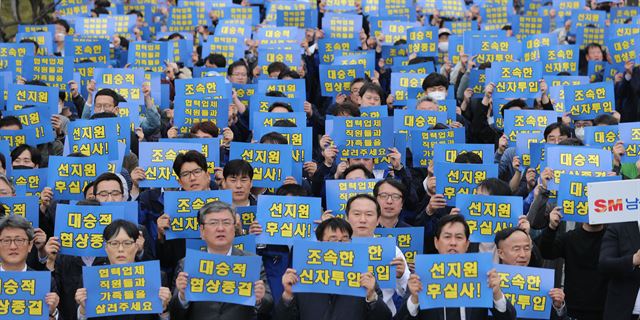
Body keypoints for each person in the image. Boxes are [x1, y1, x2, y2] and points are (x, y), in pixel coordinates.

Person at [399, 214, 517, 320]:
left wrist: (496, 293)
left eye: (459, 237)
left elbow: (508, 317)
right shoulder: (421, 275)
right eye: (447, 237)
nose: (453, 242)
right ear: (436, 242)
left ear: (467, 244)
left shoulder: (482, 273)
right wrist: (414, 299)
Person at [273, 217, 392, 320]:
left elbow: (385, 317)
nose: (339, 245)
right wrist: (288, 295)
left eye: (345, 239)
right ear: (319, 243)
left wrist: (372, 297)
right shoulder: (301, 278)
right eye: (333, 239)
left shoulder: (365, 278)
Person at [170, 201, 273, 319]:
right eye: (213, 223)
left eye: (226, 222)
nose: (220, 228)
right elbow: (174, 313)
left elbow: (269, 305)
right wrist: (182, 297)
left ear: (234, 229)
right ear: (202, 231)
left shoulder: (251, 261)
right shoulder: (187, 264)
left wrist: (259, 299)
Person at [74, 219, 172, 320]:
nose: (120, 249)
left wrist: (164, 309)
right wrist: (83, 310)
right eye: (114, 243)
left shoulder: (157, 278)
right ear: (106, 247)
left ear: (136, 245)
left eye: (127, 243)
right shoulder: (90, 280)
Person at [345, 194, 409, 316]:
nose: (362, 220)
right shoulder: (336, 249)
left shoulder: (391, 250)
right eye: (357, 214)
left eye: (369, 214)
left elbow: (407, 293)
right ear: (347, 218)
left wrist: (401, 276)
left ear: (378, 219)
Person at [537, 207, 607, 320]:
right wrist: (551, 227)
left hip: (605, 307)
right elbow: (546, 252)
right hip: (573, 307)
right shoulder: (569, 237)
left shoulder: (612, 238)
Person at [494, 227, 567, 319]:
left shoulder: (541, 282)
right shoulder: (491, 281)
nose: (523, 255)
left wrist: (558, 306)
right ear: (501, 253)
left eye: (527, 248)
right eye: (516, 249)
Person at [0, 215, 60, 319]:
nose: (13, 246)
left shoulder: (45, 282)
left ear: (30, 245)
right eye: (6, 240)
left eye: (19, 240)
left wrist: (52, 312)